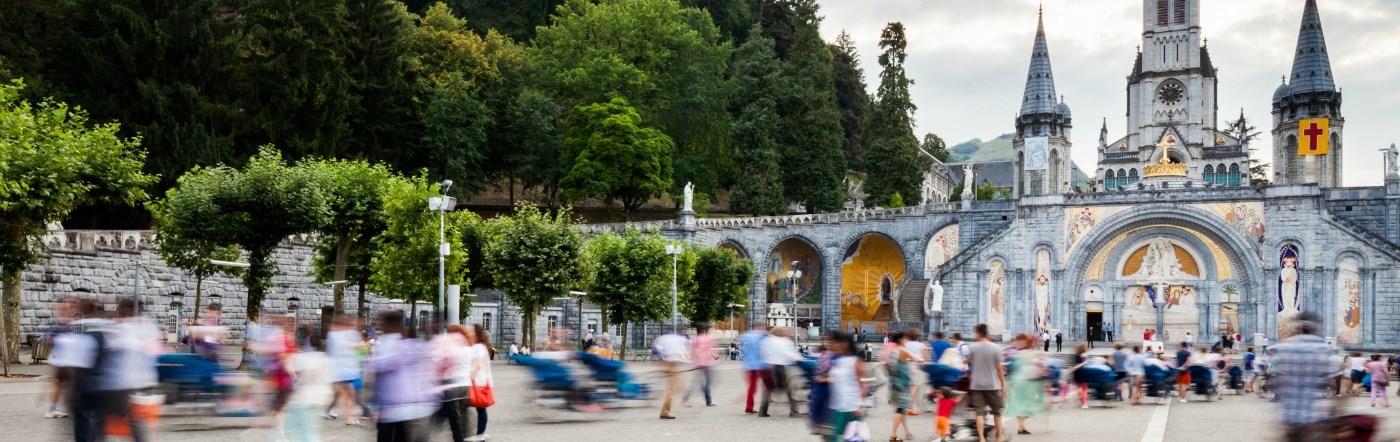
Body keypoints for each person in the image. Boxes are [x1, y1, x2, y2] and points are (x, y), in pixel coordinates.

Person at [369, 310, 441, 442]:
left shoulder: (391, 346)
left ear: (389, 325)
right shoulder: (414, 346)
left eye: (383, 323)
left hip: (393, 407)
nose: (381, 326)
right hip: (410, 407)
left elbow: (378, 367)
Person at [1272, 313, 1333, 441]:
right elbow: (1330, 383)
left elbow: (1278, 382)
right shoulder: (1324, 349)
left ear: (1297, 329)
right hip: (1315, 416)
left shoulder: (1285, 347)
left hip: (1289, 415)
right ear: (1315, 329)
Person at [284, 335, 332, 442]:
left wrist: (296, 379)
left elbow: (288, 366)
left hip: (304, 399)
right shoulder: (326, 359)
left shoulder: (305, 358)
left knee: (291, 430)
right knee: (310, 431)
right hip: (320, 398)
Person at [822, 331, 866, 442]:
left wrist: (860, 405)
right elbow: (840, 379)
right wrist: (825, 379)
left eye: (833, 342)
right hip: (835, 406)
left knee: (851, 438)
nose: (830, 344)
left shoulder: (855, 361)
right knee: (832, 438)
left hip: (851, 407)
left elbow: (863, 383)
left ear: (844, 344)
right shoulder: (836, 360)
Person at [967, 323, 1006, 442]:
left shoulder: (972, 347)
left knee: (979, 413)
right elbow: (999, 369)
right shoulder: (996, 348)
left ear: (978, 333)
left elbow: (969, 363)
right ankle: (999, 436)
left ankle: (982, 438)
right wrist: (1003, 385)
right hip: (993, 385)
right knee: (997, 412)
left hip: (977, 385)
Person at [327, 315, 367, 426]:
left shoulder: (332, 335)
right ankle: (349, 418)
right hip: (349, 371)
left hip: (340, 371)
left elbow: (331, 353)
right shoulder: (351, 334)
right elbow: (360, 351)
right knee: (350, 395)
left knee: (347, 395)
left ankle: (348, 417)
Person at [1004, 337, 1045, 435]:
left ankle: (1021, 426)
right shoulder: (1032, 354)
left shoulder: (1017, 354)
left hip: (1017, 381)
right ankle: (1022, 426)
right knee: (1027, 404)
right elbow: (1038, 366)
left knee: (1020, 403)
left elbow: (1012, 368)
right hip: (1027, 382)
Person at [759, 327, 802, 417]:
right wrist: (801, 359)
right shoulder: (785, 341)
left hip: (767, 367)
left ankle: (763, 410)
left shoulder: (766, 341)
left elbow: (762, 352)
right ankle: (794, 411)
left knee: (768, 389)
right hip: (779, 367)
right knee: (788, 389)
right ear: (781, 333)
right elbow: (790, 354)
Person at [885, 332, 916, 442]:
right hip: (903, 386)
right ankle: (893, 435)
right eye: (905, 338)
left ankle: (907, 432)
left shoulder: (892, 352)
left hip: (895, 384)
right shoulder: (902, 350)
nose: (907, 340)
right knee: (901, 409)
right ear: (901, 340)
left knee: (902, 409)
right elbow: (914, 358)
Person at [654, 330, 689, 420]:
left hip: (666, 362)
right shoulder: (680, 340)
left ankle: (666, 410)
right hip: (670, 364)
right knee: (672, 389)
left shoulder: (668, 338)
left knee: (675, 386)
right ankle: (664, 412)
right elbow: (681, 354)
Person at [468, 324, 494, 441]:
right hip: (483, 381)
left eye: (472, 332)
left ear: (476, 334)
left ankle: (479, 433)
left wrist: (469, 377)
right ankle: (480, 433)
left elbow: (477, 365)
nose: (470, 334)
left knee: (480, 408)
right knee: (481, 409)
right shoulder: (481, 346)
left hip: (478, 382)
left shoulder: (478, 347)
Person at [683, 325, 717, 407]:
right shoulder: (708, 339)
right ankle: (708, 400)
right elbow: (709, 350)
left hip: (700, 363)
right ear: (705, 330)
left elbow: (693, 351)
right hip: (706, 363)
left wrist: (693, 359)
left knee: (698, 382)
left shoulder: (696, 340)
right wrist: (714, 356)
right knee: (707, 382)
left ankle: (687, 398)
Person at [740, 326, 770, 414]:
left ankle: (749, 407)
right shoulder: (761, 336)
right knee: (768, 385)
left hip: (749, 364)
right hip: (761, 364)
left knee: (752, 387)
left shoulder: (745, 336)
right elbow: (764, 350)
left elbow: (743, 350)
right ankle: (765, 406)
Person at [902, 328, 929, 415]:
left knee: (907, 387)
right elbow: (926, 358)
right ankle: (910, 407)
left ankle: (905, 405)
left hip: (906, 366)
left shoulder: (905, 344)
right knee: (914, 387)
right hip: (916, 366)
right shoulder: (922, 345)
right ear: (918, 336)